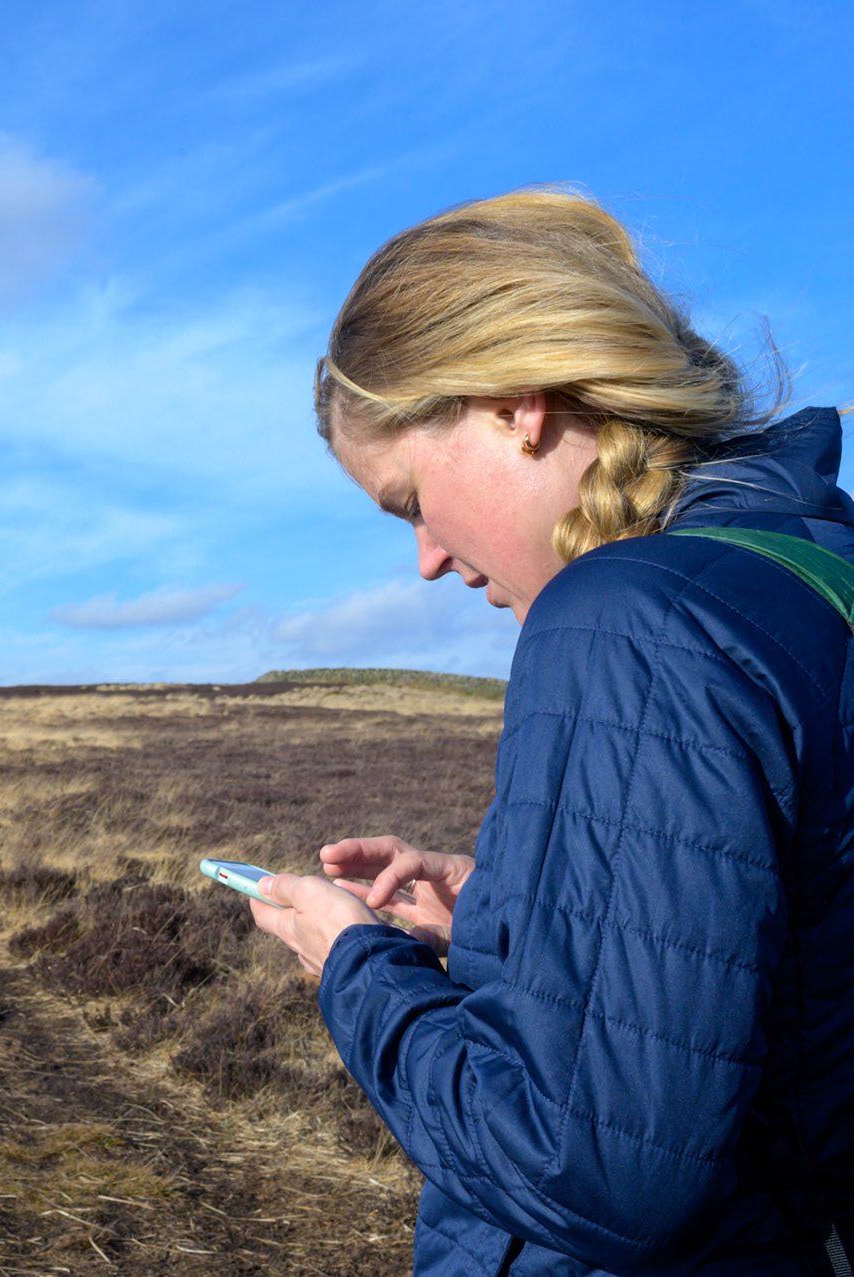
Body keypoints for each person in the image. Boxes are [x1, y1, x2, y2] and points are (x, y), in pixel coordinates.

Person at [247, 188, 854, 1276]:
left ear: (516, 403)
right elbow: (802, 973)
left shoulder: (628, 617)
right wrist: (508, 913)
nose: (427, 557)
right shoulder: (808, 577)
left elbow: (588, 1170)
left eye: (410, 500)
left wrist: (356, 965)